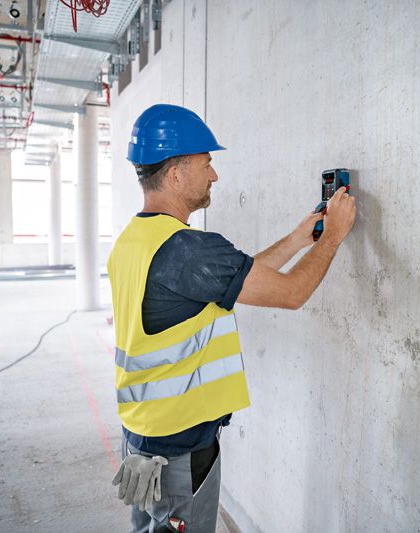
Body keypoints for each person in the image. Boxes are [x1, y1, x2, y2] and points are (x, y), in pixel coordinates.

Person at [107, 103, 356, 533]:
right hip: (180, 450)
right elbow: (293, 294)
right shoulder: (188, 249)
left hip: (141, 436)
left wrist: (300, 238)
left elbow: (233, 280)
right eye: (207, 163)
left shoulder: (135, 241)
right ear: (176, 174)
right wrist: (333, 238)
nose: (214, 175)